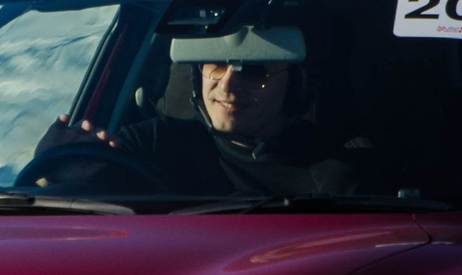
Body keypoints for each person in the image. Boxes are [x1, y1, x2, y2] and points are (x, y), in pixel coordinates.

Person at [96, 24, 359, 199]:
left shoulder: (334, 177)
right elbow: (88, 193)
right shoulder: (154, 143)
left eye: (255, 72)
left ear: (294, 86)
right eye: (216, 65)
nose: (227, 85)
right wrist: (76, 162)